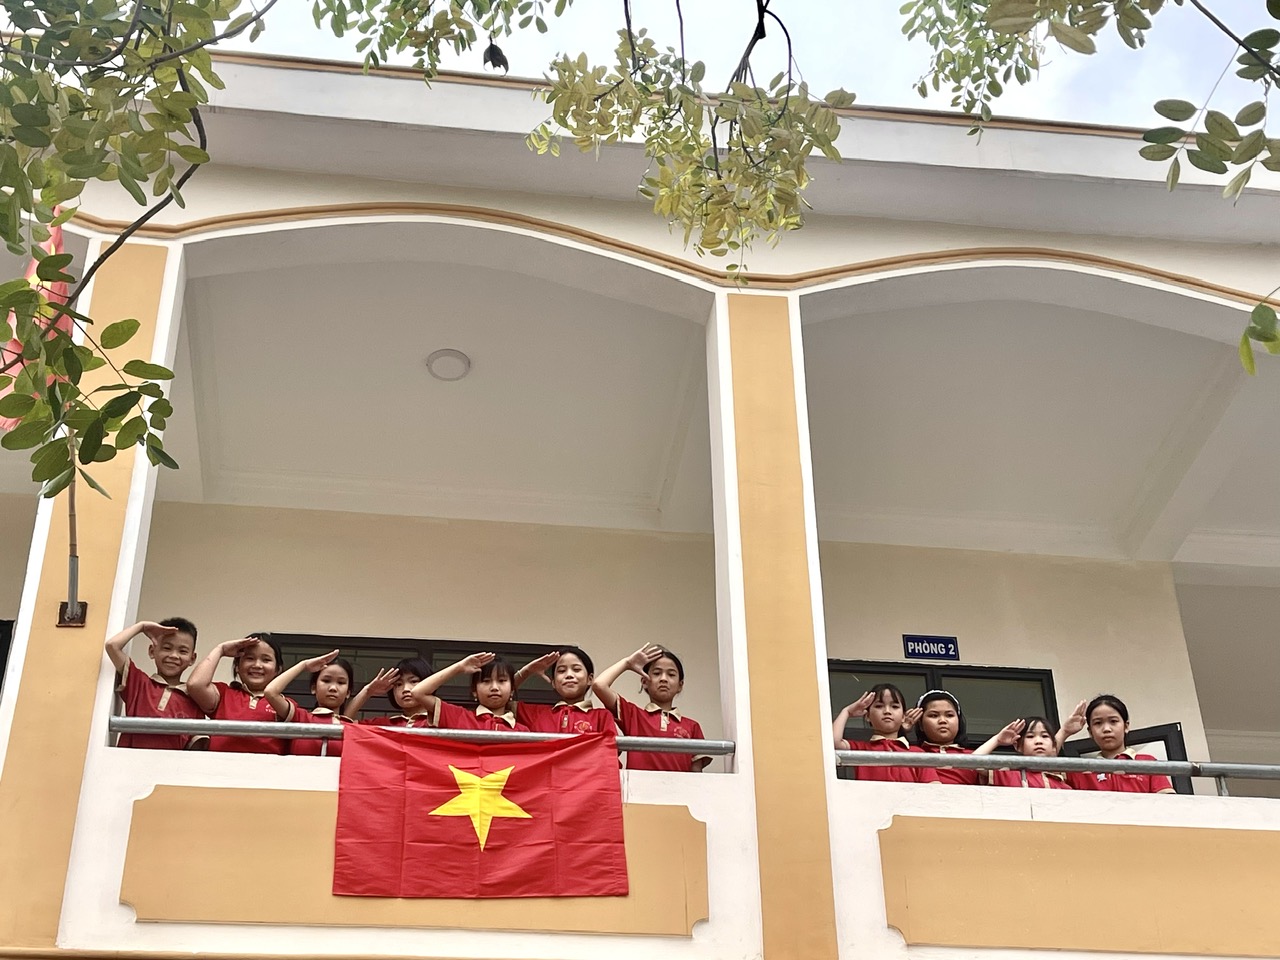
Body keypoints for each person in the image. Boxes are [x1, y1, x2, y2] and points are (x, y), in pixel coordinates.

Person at [591, 643, 710, 772]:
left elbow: (697, 776)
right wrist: (627, 663)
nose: (663, 679)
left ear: (680, 685)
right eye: (657, 673)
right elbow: (599, 685)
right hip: (639, 785)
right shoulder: (633, 716)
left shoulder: (692, 727)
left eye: (671, 674)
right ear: (644, 682)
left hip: (679, 785)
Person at [105, 618, 206, 750]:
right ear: (152, 651)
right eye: (167, 648)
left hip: (170, 763)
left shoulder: (195, 701)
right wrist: (142, 627)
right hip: (129, 761)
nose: (174, 655)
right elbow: (112, 646)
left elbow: (196, 750)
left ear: (192, 659)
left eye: (182, 651)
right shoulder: (139, 684)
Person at [186, 633, 290, 754]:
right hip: (220, 765)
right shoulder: (223, 694)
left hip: (267, 765)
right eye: (250, 658)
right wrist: (221, 649)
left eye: (266, 660)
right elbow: (195, 684)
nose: (257, 665)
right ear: (237, 666)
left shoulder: (284, 704)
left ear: (278, 669)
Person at [1065, 694, 1175, 794]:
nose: (1106, 729)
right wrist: (1064, 732)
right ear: (1090, 732)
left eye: (1113, 721)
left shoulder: (1147, 763)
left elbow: (1168, 803)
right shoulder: (1082, 771)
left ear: (1126, 726)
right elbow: (1052, 775)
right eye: (1098, 723)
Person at [833, 684, 939, 783]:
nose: (887, 711)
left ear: (903, 717)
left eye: (895, 706)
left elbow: (933, 787)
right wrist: (847, 712)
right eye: (879, 706)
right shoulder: (861, 748)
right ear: (867, 716)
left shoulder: (917, 753)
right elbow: (833, 742)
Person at [263, 648, 354, 756]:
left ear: (348, 692)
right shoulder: (300, 718)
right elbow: (270, 692)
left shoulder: (353, 728)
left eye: (341, 682)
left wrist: (367, 691)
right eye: (326, 680)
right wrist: (304, 665)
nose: (333, 688)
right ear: (313, 688)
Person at [408, 652, 530, 731]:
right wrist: (459, 667)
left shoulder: (523, 731)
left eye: (502, 681)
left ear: (512, 690)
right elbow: (418, 692)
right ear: (474, 690)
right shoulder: (459, 717)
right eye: (486, 681)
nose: (494, 687)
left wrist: (527, 671)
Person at [513, 647, 616, 734]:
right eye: (561, 671)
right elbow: (505, 697)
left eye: (576, 669)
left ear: (589, 679)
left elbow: (610, 748)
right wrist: (526, 671)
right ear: (553, 682)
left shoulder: (601, 716)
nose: (569, 675)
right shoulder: (536, 714)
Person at [974, 716, 1072, 789]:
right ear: (1018, 746)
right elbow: (974, 763)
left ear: (1054, 746)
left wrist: (1065, 732)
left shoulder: (1063, 786)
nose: (1038, 741)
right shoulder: (1009, 776)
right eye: (1030, 736)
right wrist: (997, 740)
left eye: (1044, 736)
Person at [343, 656, 435, 727]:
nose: (405, 689)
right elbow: (344, 725)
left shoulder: (440, 719)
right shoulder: (384, 725)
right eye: (399, 684)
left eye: (414, 681)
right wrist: (367, 691)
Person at [909, 690, 976, 785]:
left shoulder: (974, 755)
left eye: (949, 715)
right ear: (921, 725)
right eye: (934, 715)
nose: (942, 721)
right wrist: (901, 730)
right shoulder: (911, 754)